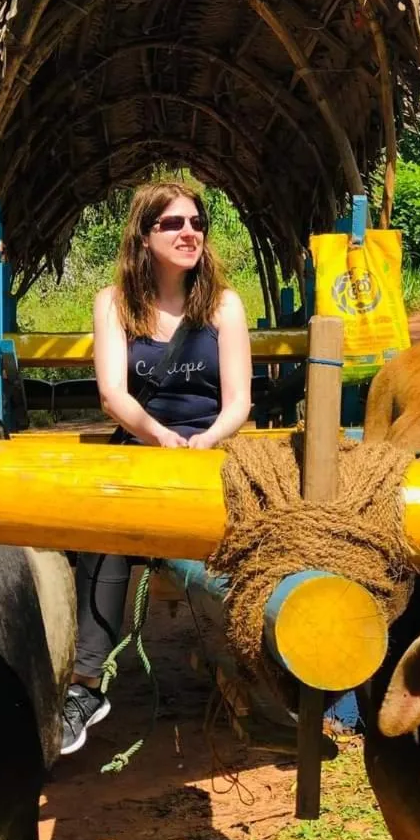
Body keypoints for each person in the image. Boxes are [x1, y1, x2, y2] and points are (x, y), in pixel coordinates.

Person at [60, 181, 252, 754]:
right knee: (106, 533)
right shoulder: (113, 303)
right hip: (144, 446)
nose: (189, 232)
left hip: (212, 449)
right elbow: (113, 395)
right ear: (144, 236)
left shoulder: (224, 304)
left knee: (264, 531)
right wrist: (159, 436)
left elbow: (238, 400)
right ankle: (87, 684)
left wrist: (208, 439)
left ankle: (265, 668)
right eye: (172, 224)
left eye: (196, 222)